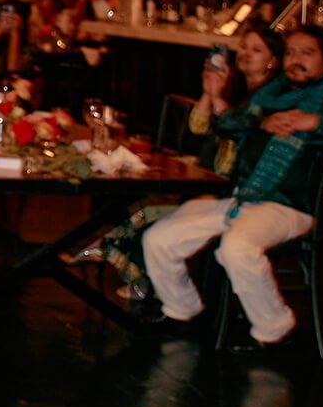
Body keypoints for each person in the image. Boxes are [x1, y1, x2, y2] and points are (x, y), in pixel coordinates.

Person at [143, 26, 323, 347]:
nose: (296, 60)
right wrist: (261, 123)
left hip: (290, 205)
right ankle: (183, 310)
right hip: (243, 198)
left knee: (236, 247)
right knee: (159, 237)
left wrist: (316, 123)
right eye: (290, 52)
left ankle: (277, 329)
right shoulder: (271, 94)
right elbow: (227, 124)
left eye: (307, 53)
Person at [99, 28, 284, 301]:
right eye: (243, 47)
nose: (245, 54)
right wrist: (209, 94)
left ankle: (145, 281)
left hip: (236, 189)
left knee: (148, 210)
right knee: (138, 205)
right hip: (210, 178)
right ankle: (137, 272)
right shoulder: (239, 88)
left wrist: (218, 99)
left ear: (273, 61)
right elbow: (197, 127)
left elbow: (241, 138)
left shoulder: (272, 99)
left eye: (256, 50)